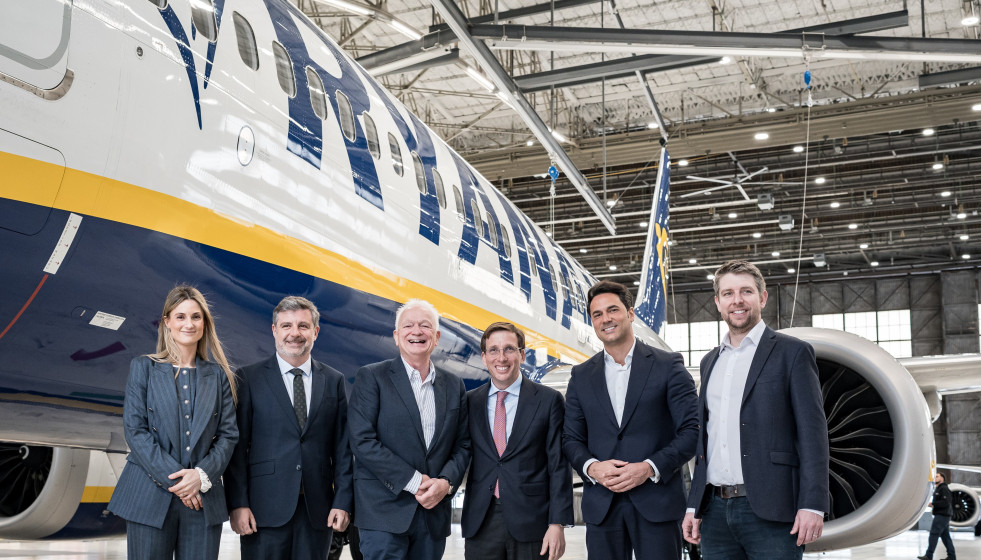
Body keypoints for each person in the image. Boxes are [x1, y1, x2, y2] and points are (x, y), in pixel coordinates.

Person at [682, 260, 829, 559]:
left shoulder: (792, 353)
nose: (737, 300)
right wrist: (693, 504)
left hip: (771, 510)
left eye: (746, 291)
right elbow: (705, 440)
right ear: (718, 303)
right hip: (715, 510)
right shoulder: (710, 361)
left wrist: (813, 504)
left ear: (762, 297)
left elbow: (813, 435)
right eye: (728, 294)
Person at [563, 280, 699, 560]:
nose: (605, 319)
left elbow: (692, 431)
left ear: (630, 313)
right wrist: (592, 467)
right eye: (597, 314)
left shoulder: (668, 366)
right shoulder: (581, 375)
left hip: (656, 502)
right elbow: (571, 439)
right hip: (603, 506)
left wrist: (649, 468)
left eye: (613, 310)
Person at [108, 285, 238, 560]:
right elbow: (136, 431)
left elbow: (228, 436)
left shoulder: (219, 376)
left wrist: (200, 477)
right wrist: (182, 482)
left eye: (195, 317)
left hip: (203, 501)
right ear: (167, 322)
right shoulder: (143, 368)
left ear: (205, 323)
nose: (188, 324)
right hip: (149, 498)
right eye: (180, 317)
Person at [225, 296, 353, 560]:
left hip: (317, 511)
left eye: (303, 326)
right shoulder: (248, 378)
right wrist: (238, 504)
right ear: (274, 331)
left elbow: (343, 449)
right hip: (263, 512)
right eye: (286, 326)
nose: (295, 333)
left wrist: (342, 501)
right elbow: (236, 449)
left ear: (315, 332)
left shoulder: (333, 380)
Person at [348, 299, 471, 560]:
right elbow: (362, 441)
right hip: (383, 515)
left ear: (437, 337)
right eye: (408, 325)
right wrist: (416, 482)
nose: (416, 331)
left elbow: (463, 445)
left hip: (432, 515)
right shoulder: (372, 377)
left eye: (425, 326)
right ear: (396, 336)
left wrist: (446, 483)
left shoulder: (453, 385)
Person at [462, 322, 574, 560]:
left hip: (533, 522)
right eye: (493, 350)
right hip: (481, 521)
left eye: (509, 349)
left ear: (522, 355)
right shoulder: (470, 402)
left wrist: (558, 523)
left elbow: (558, 465)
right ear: (484, 357)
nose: (501, 358)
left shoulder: (548, 400)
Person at [918, 472, 957, 560]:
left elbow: (946, 502)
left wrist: (933, 504)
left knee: (934, 534)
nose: (935, 478)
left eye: (937, 476)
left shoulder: (943, 488)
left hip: (942, 515)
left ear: (942, 478)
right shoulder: (939, 489)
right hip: (943, 515)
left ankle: (929, 555)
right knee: (945, 536)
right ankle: (952, 557)